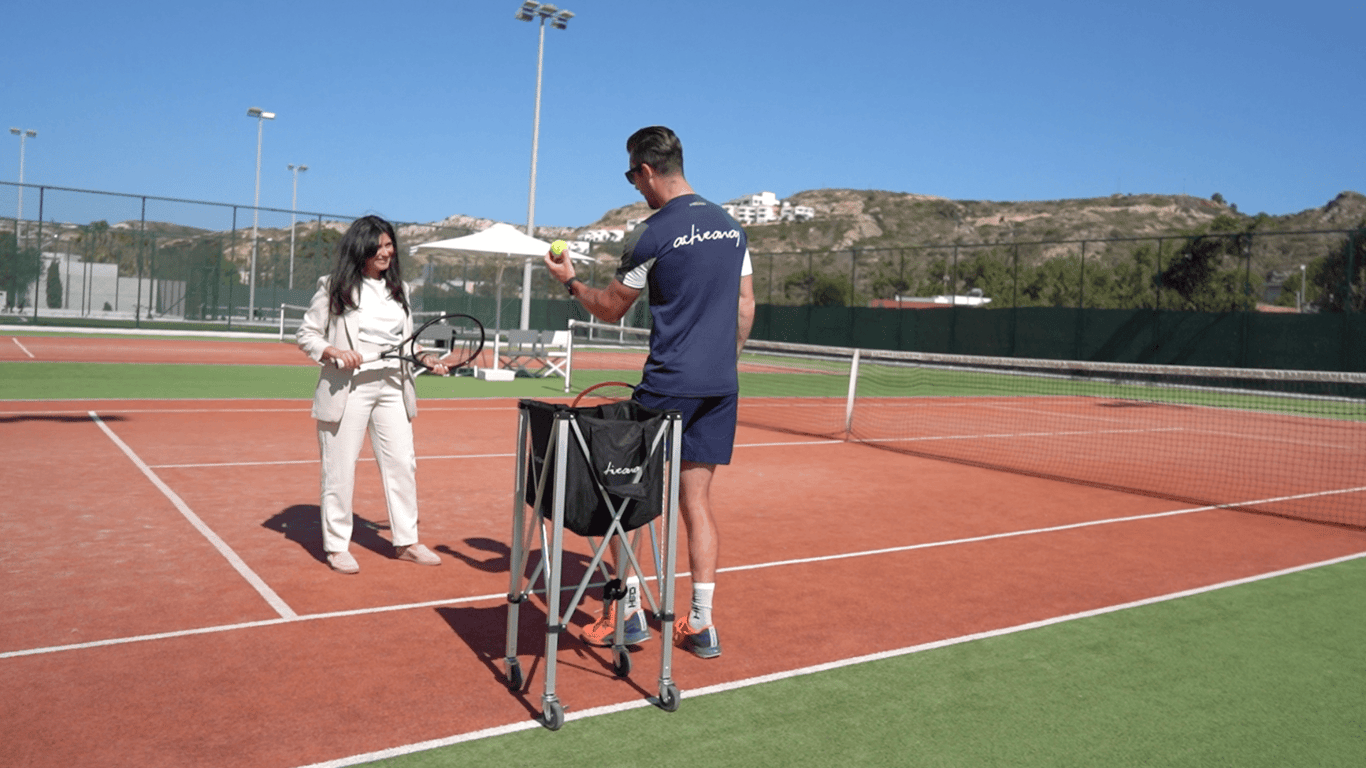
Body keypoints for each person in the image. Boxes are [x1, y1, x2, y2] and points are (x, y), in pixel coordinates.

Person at [544, 126, 755, 659]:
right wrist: (723, 365)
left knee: (624, 499)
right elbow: (745, 307)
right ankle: (702, 625)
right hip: (719, 386)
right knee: (697, 504)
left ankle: (628, 611)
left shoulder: (651, 233)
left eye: (631, 176)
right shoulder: (731, 227)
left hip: (668, 386)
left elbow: (613, 308)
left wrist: (570, 282)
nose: (634, 187)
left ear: (645, 170)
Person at [296, 215, 446, 574]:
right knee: (340, 468)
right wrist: (334, 352)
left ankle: (406, 541)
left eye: (390, 245)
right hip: (348, 388)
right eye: (378, 246)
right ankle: (336, 546)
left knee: (402, 464)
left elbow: (405, 343)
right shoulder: (335, 287)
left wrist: (424, 356)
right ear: (360, 248)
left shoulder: (401, 290)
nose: (386, 252)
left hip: (394, 386)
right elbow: (308, 334)